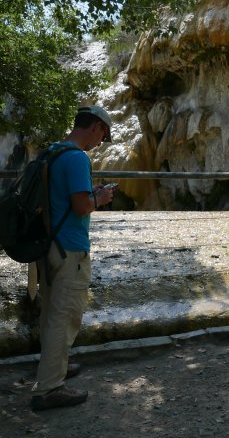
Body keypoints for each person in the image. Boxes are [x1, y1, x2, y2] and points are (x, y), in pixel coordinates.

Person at [31, 105, 117, 411]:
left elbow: (64, 197)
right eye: (102, 135)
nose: (99, 142)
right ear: (95, 126)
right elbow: (82, 207)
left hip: (49, 245)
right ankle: (49, 388)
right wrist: (101, 198)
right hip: (70, 249)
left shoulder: (53, 152)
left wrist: (88, 193)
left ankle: (54, 367)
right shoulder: (78, 157)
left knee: (51, 313)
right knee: (66, 316)